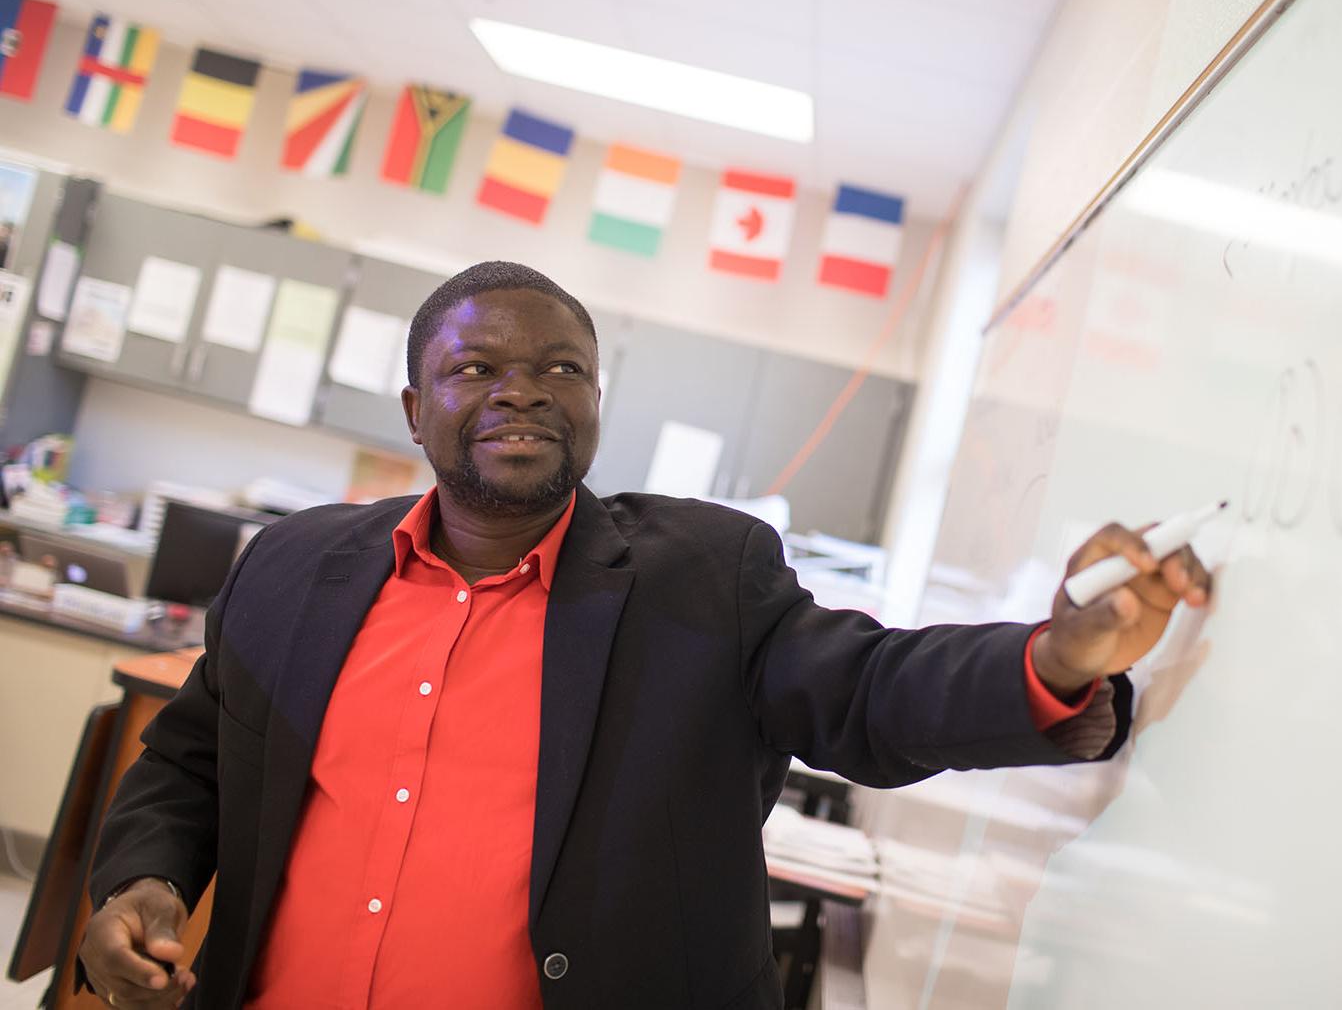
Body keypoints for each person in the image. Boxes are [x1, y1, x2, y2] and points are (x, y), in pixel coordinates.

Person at [78, 261, 1211, 1009]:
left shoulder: (700, 577)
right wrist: (140, 878)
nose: (522, 391)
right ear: (414, 408)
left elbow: (867, 688)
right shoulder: (292, 567)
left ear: (595, 402)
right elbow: (188, 758)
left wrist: (1057, 659)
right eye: (476, 368)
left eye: (560, 368)